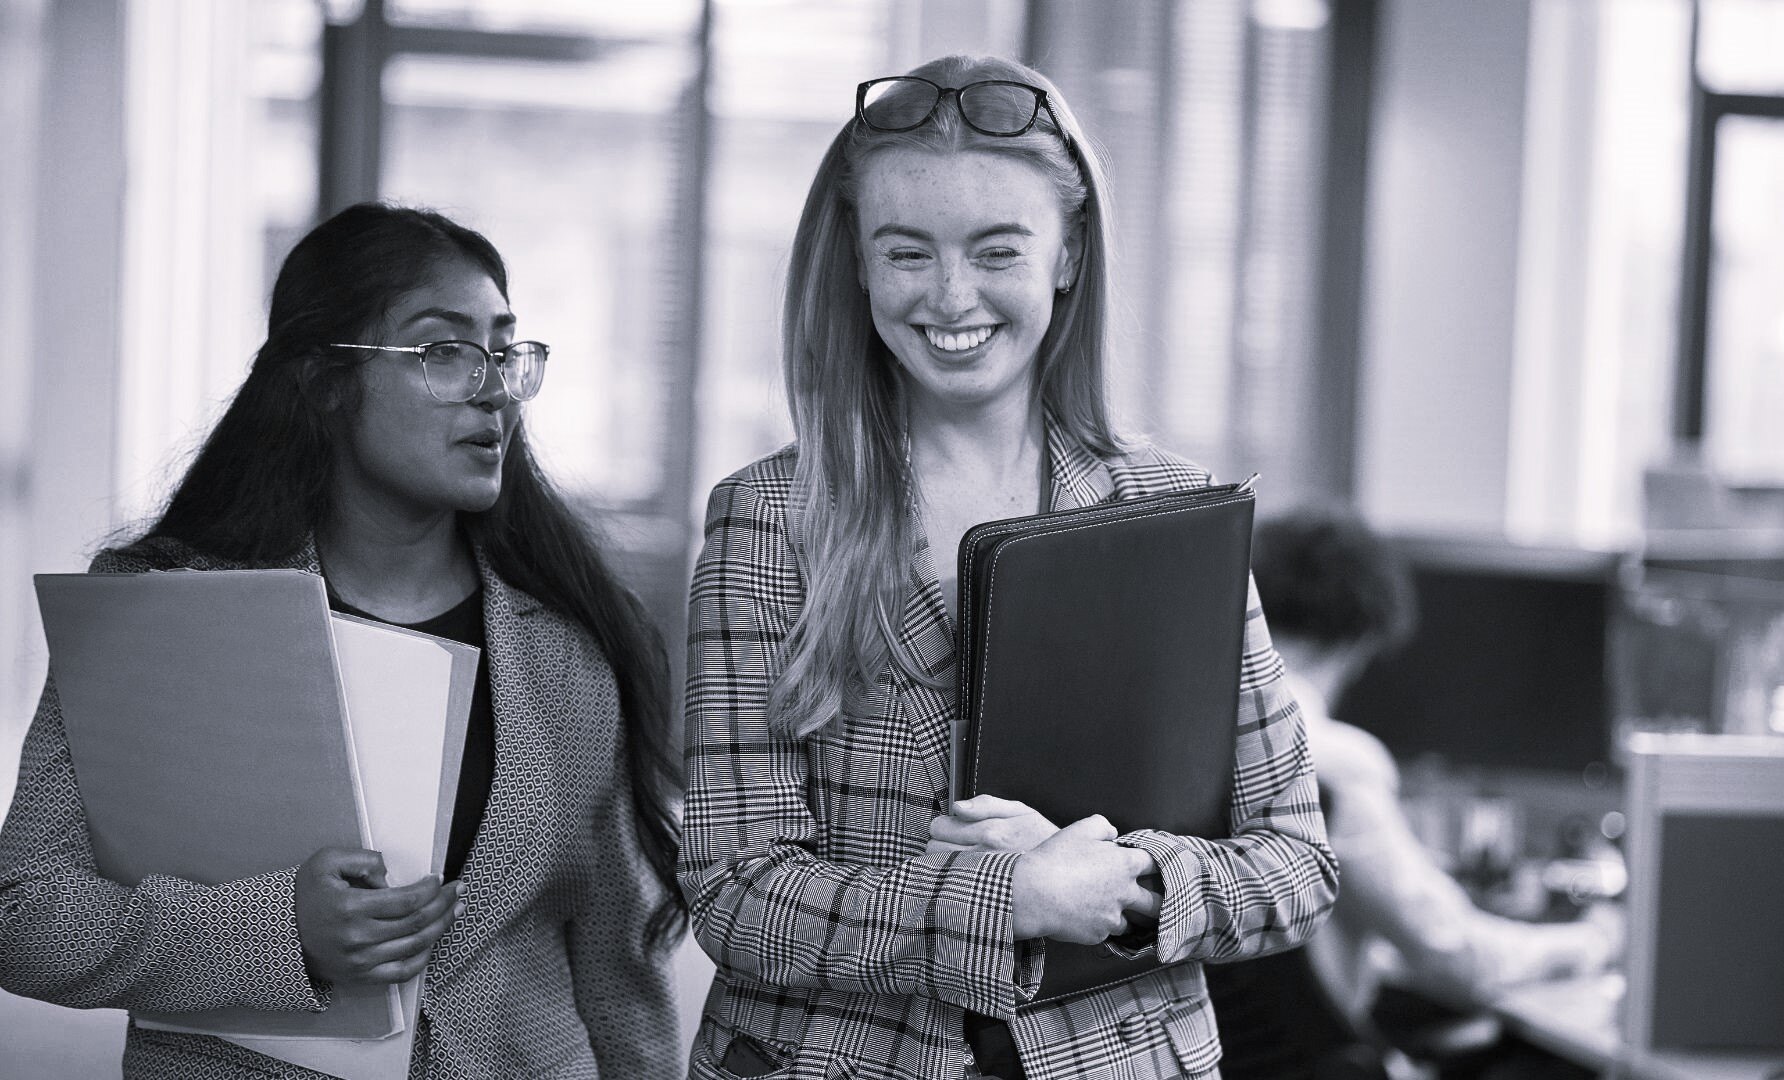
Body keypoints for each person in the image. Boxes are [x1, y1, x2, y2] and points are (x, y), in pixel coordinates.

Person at [679, 55, 1337, 1080]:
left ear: (1068, 252)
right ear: (855, 261)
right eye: (907, 253)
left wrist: (1124, 881)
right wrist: (1015, 900)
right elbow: (734, 891)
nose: (951, 297)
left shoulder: (1169, 509)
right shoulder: (768, 519)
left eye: (997, 250)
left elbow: (1297, 862)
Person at [0, 203, 684, 1078]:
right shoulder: (164, 613)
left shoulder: (570, 649)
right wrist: (282, 930)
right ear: (325, 382)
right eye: (445, 351)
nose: (494, 389)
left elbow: (618, 970)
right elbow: (26, 916)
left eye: (505, 352)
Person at [1211, 508, 1619, 1079]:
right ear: (1362, 638)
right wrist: (1591, 941)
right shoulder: (1334, 760)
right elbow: (1457, 956)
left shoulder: (1195, 736)